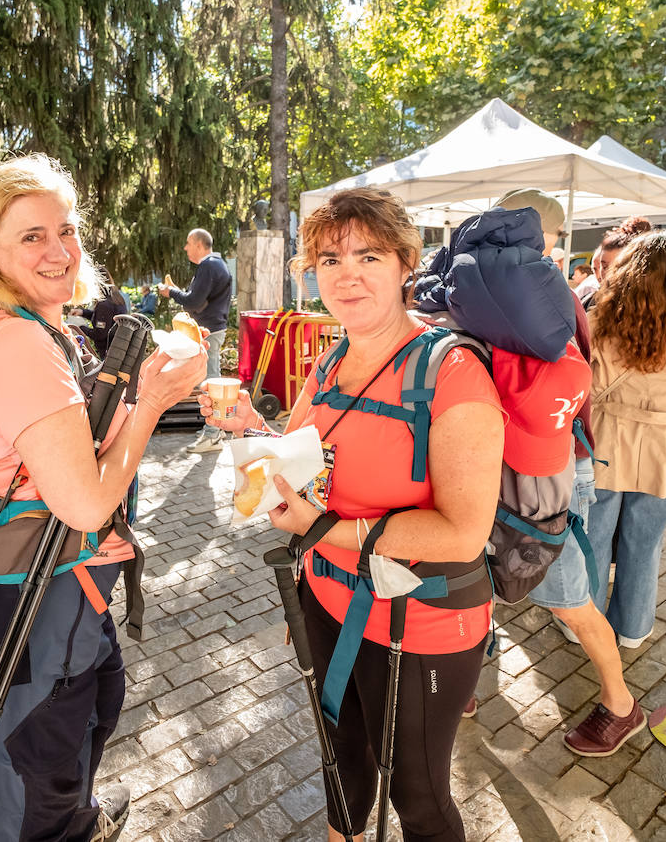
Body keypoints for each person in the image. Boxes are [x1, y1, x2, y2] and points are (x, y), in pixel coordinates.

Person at [204, 187, 504, 842]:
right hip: (329, 603)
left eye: (368, 256)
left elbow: (462, 533)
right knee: (342, 760)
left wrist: (321, 530)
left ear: (405, 264)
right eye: (330, 259)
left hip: (419, 621)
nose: (347, 274)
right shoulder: (331, 361)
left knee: (418, 794)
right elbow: (308, 461)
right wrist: (250, 426)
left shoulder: (450, 373)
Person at [0, 154, 205, 841]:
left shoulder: (44, 329)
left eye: (66, 230)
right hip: (36, 612)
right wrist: (152, 403)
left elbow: (71, 468)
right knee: (38, 785)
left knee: (82, 729)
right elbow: (85, 502)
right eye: (32, 235)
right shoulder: (18, 346)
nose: (60, 250)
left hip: (66, 589)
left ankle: (84, 821)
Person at [493, 190, 647, 757]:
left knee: (569, 598)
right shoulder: (522, 291)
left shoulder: (550, 296)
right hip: (515, 466)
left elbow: (564, 388)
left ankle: (621, 704)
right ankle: (461, 678)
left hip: (546, 472)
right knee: (476, 579)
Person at [587, 232, 666, 647]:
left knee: (592, 539)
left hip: (606, 441)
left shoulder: (598, 317)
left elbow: (586, 387)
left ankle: (583, 627)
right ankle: (632, 628)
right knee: (643, 545)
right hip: (664, 446)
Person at [158, 228, 232, 453]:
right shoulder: (216, 264)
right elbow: (199, 301)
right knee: (209, 380)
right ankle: (213, 431)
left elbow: (193, 302)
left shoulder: (209, 265)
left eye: (188, 243)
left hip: (209, 331)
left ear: (199, 244)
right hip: (211, 329)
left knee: (210, 382)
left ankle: (213, 434)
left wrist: (170, 292)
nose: (185, 248)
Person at [584, 217, 653, 310]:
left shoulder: (649, 306)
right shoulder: (590, 302)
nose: (606, 274)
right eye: (604, 266)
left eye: (616, 267)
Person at [76, 276, 129, 356]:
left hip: (109, 354)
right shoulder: (116, 298)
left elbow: (100, 334)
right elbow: (104, 319)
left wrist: (80, 328)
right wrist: (83, 312)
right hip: (118, 350)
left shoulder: (104, 305)